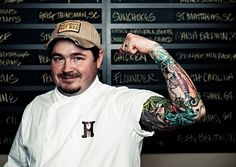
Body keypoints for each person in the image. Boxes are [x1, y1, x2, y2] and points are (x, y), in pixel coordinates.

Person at [4, 20, 206, 167]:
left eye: (77, 58)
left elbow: (190, 112)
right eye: (58, 58)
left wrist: (156, 49)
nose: (67, 68)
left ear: (98, 59)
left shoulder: (123, 103)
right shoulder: (36, 107)